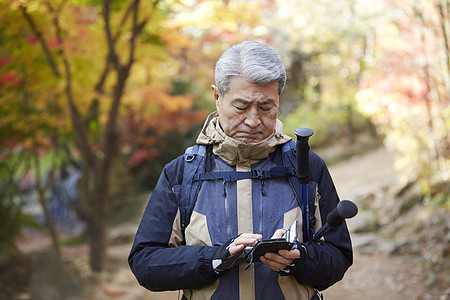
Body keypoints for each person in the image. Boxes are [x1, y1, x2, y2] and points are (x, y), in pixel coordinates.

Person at [128, 41, 353, 300]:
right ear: (217, 97)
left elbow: (338, 257)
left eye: (266, 107)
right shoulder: (181, 173)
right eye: (242, 106)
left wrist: (299, 259)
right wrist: (215, 258)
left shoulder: (308, 167)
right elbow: (145, 263)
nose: (253, 120)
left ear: (278, 99)